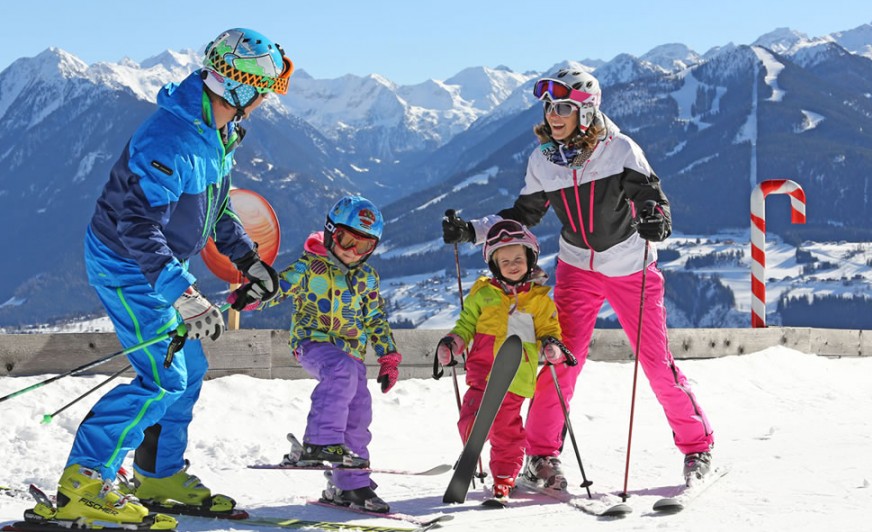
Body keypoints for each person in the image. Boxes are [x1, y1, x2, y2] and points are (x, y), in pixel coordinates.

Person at [30, 29, 293, 530]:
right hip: (126, 264)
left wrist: (248, 259)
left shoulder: (218, 132)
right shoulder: (170, 141)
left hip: (155, 262)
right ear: (239, 90)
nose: (264, 103)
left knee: (186, 368)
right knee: (162, 376)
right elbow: (137, 227)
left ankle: (156, 474)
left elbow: (214, 207)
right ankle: (84, 482)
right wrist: (184, 294)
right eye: (262, 91)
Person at [442, 69, 714, 489]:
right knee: (558, 361)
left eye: (564, 107)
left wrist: (655, 217)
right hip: (576, 268)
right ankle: (542, 456)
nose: (554, 115)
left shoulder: (619, 149)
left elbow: (651, 196)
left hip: (629, 266)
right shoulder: (544, 160)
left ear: (586, 111)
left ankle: (697, 447)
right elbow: (523, 216)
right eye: (550, 107)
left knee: (656, 363)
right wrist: (473, 231)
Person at [254, 195, 403, 514]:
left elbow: (375, 317)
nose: (352, 251)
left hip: (352, 353)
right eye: (346, 240)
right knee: (340, 372)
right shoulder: (310, 266)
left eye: (362, 246)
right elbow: (279, 287)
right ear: (331, 232)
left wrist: (388, 356)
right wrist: (254, 296)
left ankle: (349, 485)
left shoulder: (367, 278)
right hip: (313, 342)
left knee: (360, 411)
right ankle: (320, 441)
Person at [435, 219, 572, 502]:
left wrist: (552, 347)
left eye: (518, 259)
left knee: (506, 432)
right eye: (505, 260)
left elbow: (550, 330)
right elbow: (465, 325)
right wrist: (453, 343)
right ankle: (473, 445)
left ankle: (504, 477)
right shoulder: (482, 294)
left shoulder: (539, 300)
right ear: (494, 264)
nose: (512, 265)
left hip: (515, 377)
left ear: (530, 259)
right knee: (470, 417)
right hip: (481, 373)